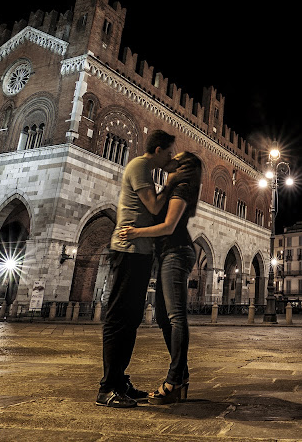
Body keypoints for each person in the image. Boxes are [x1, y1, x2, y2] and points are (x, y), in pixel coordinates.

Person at [96, 130, 179, 408]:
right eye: (168, 153)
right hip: (128, 251)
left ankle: (120, 381)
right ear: (157, 150)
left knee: (131, 320)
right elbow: (154, 206)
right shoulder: (140, 166)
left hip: (140, 252)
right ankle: (107, 388)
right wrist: (171, 180)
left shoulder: (147, 168)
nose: (171, 157)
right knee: (119, 318)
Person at [119, 151, 202, 405]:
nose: (170, 162)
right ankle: (181, 375)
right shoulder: (172, 186)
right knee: (164, 318)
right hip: (169, 253)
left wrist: (135, 232)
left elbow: (168, 227)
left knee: (175, 317)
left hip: (177, 252)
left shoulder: (182, 189)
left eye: (175, 160)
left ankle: (175, 379)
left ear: (184, 167)